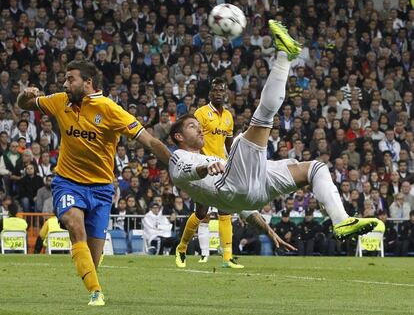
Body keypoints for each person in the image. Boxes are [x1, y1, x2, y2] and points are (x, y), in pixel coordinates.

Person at [169, 21, 380, 267]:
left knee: (316, 168)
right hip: (232, 183)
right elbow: (186, 171)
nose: (199, 128)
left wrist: (268, 230)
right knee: (257, 123)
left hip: (248, 192)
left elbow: (245, 207)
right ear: (178, 137)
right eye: (192, 126)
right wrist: (205, 168)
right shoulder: (179, 158)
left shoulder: (219, 140)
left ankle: (341, 219)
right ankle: (285, 56)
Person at [17, 60, 171, 306]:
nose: (65, 84)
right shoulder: (59, 101)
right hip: (67, 182)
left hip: (101, 189)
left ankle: (93, 281)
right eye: (65, 79)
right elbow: (25, 105)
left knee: (93, 257)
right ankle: (96, 293)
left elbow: (149, 141)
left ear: (87, 82)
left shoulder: (110, 110)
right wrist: (24, 96)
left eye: (70, 79)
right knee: (74, 224)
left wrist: (176, 165)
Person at [175, 77, 243, 268]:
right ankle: (182, 248)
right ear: (210, 94)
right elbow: (194, 139)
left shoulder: (229, 117)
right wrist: (200, 161)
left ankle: (227, 257)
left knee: (225, 211)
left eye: (221, 90)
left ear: (226, 93)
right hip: (204, 167)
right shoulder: (201, 113)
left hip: (222, 167)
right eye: (215, 91)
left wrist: (232, 161)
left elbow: (228, 143)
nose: (218, 94)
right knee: (201, 212)